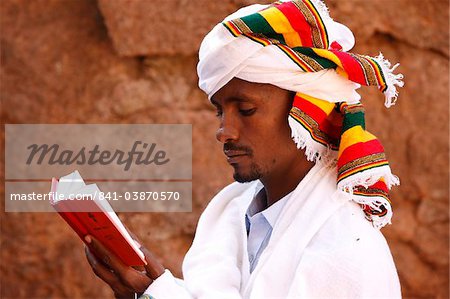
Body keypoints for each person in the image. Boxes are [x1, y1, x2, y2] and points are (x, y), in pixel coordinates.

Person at [84, 0, 404, 298]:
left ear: (306, 113)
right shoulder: (232, 212)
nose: (225, 132)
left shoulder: (345, 248)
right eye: (220, 111)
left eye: (246, 110)